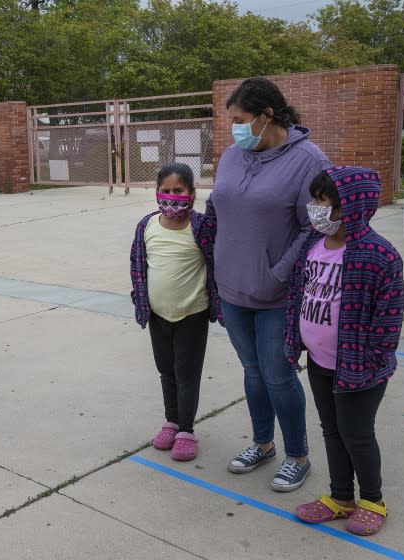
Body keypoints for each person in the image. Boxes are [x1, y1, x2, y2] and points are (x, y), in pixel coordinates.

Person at [207, 77, 330, 492]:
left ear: (266, 116)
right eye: (231, 122)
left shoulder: (309, 160)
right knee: (253, 372)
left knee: (278, 376)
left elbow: (314, 229)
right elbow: (216, 207)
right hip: (232, 287)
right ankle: (263, 445)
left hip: (277, 294)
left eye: (240, 120)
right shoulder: (230, 156)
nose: (234, 129)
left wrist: (279, 272)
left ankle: (298, 455)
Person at [286, 167, 403, 536]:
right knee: (332, 430)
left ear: (351, 205)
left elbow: (388, 323)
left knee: (357, 433)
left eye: (323, 201)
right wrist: (294, 341)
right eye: (315, 199)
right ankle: (341, 498)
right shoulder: (313, 246)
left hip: (360, 369)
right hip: (320, 361)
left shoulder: (380, 255)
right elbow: (298, 296)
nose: (314, 208)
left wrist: (369, 361)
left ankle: (372, 500)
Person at [130, 162, 220, 461]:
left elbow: (217, 262)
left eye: (178, 191)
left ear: (191, 193)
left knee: (187, 374)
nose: (171, 196)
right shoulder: (147, 226)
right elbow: (138, 267)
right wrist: (141, 300)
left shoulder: (202, 227)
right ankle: (171, 421)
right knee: (166, 371)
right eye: (165, 191)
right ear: (157, 193)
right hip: (158, 315)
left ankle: (186, 430)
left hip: (192, 314)